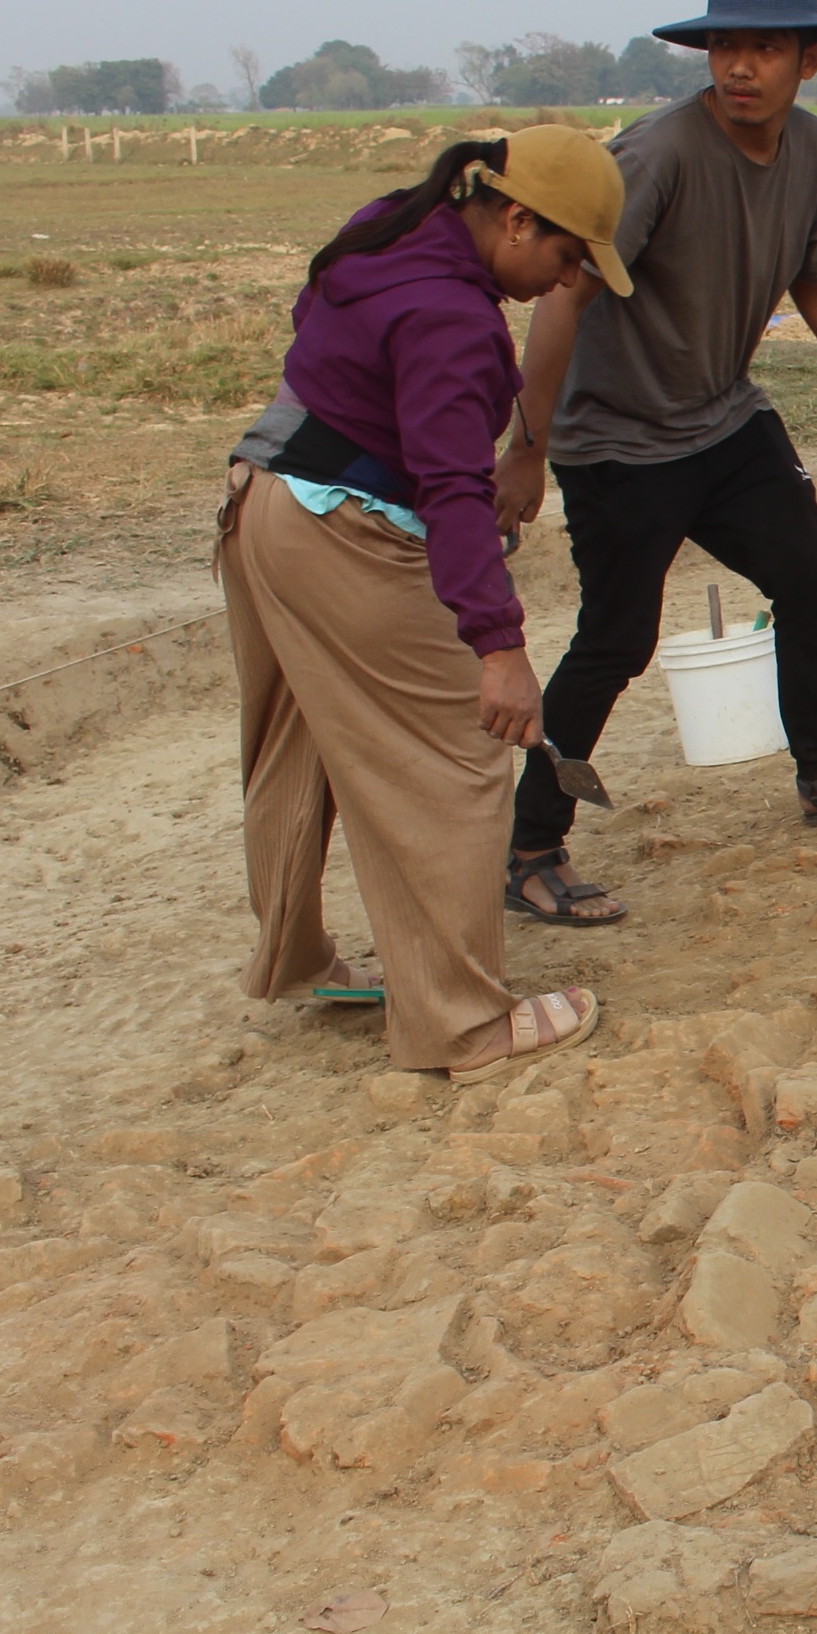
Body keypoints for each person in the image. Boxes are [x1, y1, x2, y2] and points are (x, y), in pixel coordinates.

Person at [492, 0, 817, 926]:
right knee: (615, 640)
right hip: (615, 436)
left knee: (808, 573)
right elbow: (564, 288)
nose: (741, 66)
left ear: (808, 60)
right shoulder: (657, 155)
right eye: (725, 46)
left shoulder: (812, 150)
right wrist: (528, 445)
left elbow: (815, 281)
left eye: (766, 47)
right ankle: (531, 845)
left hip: (722, 416)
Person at [221, 128, 624, 1078]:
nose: (565, 282)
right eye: (567, 257)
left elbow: (334, 346)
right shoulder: (457, 318)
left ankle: (296, 957)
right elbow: (450, 491)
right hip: (338, 530)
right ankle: (462, 1024)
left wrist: (405, 461)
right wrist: (499, 647)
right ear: (518, 219)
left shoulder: (391, 227)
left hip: (262, 498)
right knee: (455, 754)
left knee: (304, 738)